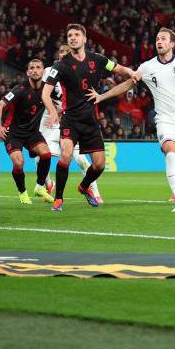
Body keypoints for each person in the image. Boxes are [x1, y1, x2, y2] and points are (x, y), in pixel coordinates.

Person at [91, 28, 175, 213]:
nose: (159, 42)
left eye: (163, 39)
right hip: (165, 120)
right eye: (157, 39)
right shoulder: (148, 67)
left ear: (172, 44)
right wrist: (102, 96)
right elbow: (127, 84)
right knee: (170, 152)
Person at [42, 24, 137, 211]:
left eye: (77, 35)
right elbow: (46, 93)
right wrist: (53, 112)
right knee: (67, 155)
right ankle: (59, 198)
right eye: (70, 35)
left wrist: (131, 72)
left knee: (100, 165)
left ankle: (84, 186)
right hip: (70, 119)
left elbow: (118, 68)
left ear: (85, 39)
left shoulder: (98, 59)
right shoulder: (60, 65)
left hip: (90, 120)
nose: (73, 38)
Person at [41, 44, 102, 203]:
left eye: (66, 52)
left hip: (71, 120)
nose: (63, 54)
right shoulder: (49, 72)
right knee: (42, 157)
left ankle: (94, 191)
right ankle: (48, 186)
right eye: (60, 51)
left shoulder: (80, 72)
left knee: (82, 161)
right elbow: (42, 95)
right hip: (52, 123)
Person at [0, 58, 54, 204]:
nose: (35, 70)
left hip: (32, 133)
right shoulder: (20, 89)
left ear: (43, 71)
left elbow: (60, 101)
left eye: (38, 67)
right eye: (32, 68)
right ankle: (22, 192)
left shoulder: (47, 89)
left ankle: (39, 187)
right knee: (19, 162)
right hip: (13, 133)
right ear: (28, 72)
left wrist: (56, 113)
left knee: (46, 154)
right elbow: (0, 105)